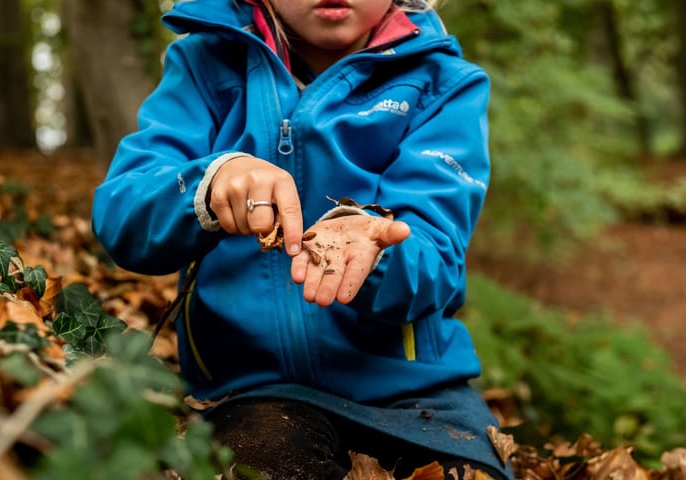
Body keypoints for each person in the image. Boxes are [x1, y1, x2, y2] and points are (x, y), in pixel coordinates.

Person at [92, 0, 514, 478]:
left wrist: (375, 248)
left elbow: (436, 252)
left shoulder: (445, 83)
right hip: (253, 389)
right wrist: (207, 186)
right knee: (260, 463)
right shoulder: (203, 63)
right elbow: (123, 213)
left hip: (419, 395)